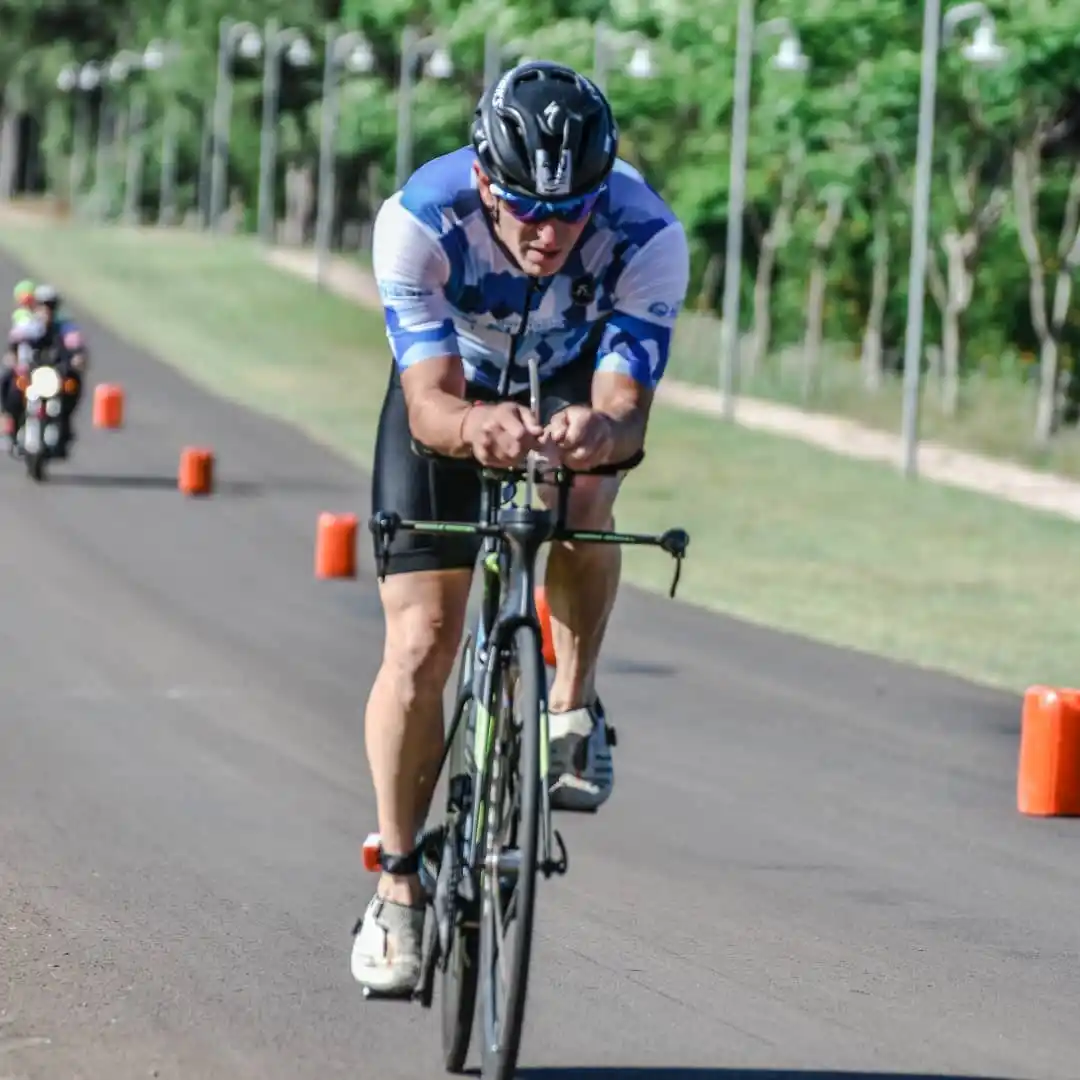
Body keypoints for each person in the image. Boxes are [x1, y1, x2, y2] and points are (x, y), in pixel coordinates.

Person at [350, 60, 689, 996]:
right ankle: (399, 886)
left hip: (571, 373)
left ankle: (571, 708)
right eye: (526, 210)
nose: (548, 234)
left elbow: (627, 411)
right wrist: (470, 427)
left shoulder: (647, 233)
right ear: (485, 180)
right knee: (421, 639)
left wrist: (600, 432)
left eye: (573, 209)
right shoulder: (419, 221)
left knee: (589, 496)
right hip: (454, 386)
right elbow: (427, 406)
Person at [1, 284, 87, 452]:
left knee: (72, 384)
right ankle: (9, 422)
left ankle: (64, 425)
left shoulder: (64, 327)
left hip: (56, 373)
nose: (46, 310)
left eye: (50, 305)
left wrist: (78, 357)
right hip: (31, 372)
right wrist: (12, 356)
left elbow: (75, 344)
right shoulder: (29, 326)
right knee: (8, 382)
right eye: (42, 305)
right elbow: (15, 341)